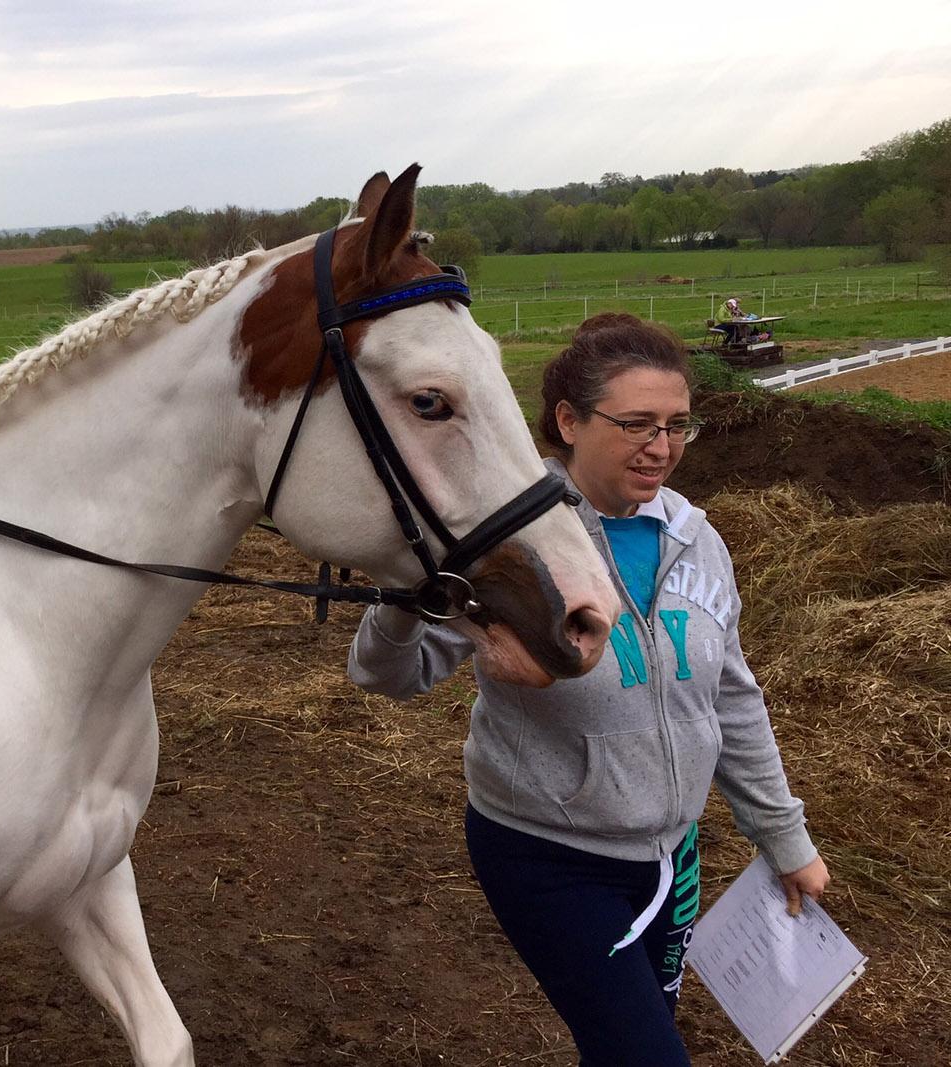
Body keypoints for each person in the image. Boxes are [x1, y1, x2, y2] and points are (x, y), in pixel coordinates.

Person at [347, 313, 830, 1065]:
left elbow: (731, 701)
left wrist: (786, 839)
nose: (661, 446)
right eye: (636, 423)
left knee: (629, 1044)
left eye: (676, 425)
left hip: (674, 857)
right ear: (567, 421)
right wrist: (406, 591)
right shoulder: (504, 544)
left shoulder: (697, 539)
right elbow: (386, 675)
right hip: (549, 853)